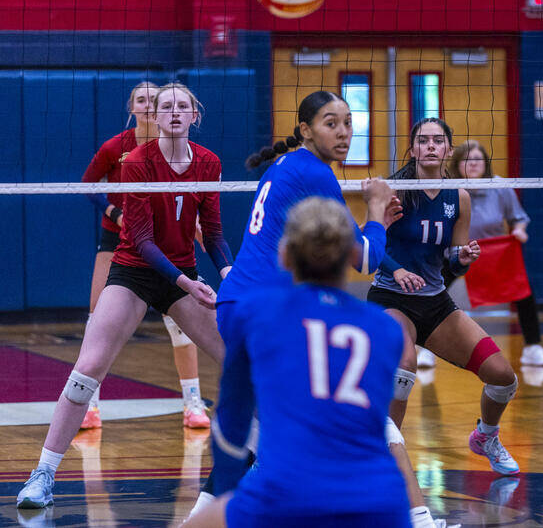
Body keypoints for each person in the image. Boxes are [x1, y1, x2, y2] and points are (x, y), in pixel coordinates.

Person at [191, 90, 448, 528]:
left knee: (260, 418)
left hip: (244, 301)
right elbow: (364, 259)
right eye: (332, 123)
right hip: (266, 309)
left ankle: (201, 516)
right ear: (307, 130)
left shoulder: (288, 165)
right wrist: (377, 211)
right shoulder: (316, 174)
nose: (344, 132)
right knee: (346, 406)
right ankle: (418, 516)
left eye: (348, 122)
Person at [17, 83, 231, 509]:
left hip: (183, 272)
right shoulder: (135, 161)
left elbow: (214, 231)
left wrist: (229, 273)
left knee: (241, 361)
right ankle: (43, 473)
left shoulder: (209, 162)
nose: (172, 112)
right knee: (88, 367)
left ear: (194, 116)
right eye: (165, 105)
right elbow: (142, 238)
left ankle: (259, 459)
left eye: (181, 106)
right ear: (153, 115)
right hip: (135, 270)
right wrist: (185, 284)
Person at [182, 197, 411, 527]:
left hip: (288, 491)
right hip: (379, 499)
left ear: (285, 255)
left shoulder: (259, 316)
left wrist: (234, 495)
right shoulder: (386, 330)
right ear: (350, 255)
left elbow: (232, 425)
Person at [368, 118, 521, 476]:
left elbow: (454, 259)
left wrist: (463, 259)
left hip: (435, 303)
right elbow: (371, 246)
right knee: (403, 367)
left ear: (449, 150)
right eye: (424, 141)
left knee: (502, 375)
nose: (432, 146)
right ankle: (385, 460)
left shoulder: (459, 197)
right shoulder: (394, 192)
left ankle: (486, 436)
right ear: (413, 149)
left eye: (439, 141)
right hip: (391, 298)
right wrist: (398, 269)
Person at [80, 80, 210, 429]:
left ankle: (193, 403)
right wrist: (114, 213)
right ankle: (89, 404)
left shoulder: (177, 146)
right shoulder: (117, 148)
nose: (150, 105)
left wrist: (194, 221)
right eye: (142, 100)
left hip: (168, 243)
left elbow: (189, 193)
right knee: (98, 319)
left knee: (180, 327)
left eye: (156, 99)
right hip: (120, 243)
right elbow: (88, 185)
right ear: (133, 109)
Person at [443, 139, 543, 366]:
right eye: (467, 159)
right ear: (457, 164)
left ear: (485, 163)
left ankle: (533, 348)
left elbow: (518, 218)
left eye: (478, 159)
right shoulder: (450, 189)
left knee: (523, 293)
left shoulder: (500, 186)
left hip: (494, 252)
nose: (473, 164)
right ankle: (424, 347)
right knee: (435, 292)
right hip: (458, 251)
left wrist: (519, 231)